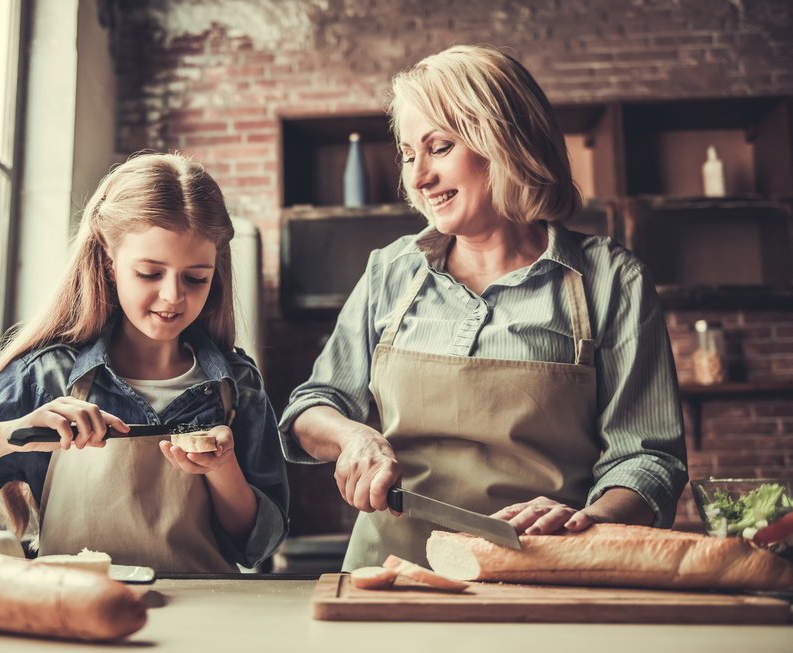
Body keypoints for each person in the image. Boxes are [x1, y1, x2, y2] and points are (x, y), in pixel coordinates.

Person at [278, 45, 688, 570]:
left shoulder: (609, 279)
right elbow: (311, 407)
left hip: (544, 570)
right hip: (392, 574)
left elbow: (648, 459)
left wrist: (593, 520)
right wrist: (352, 435)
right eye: (409, 154)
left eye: (439, 147)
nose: (419, 176)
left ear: (506, 142)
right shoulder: (391, 270)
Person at [0, 152, 289, 573]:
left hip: (206, 617)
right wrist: (6, 434)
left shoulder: (236, 385)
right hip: (72, 611)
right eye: (149, 273)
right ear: (110, 266)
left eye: (195, 277)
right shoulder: (48, 376)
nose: (173, 296)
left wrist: (224, 470)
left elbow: (256, 544)